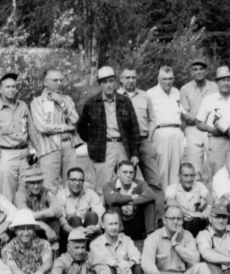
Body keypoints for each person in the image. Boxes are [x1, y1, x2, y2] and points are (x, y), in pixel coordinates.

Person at [77, 66, 141, 194]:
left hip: (123, 146)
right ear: (100, 83)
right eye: (104, 82)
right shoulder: (92, 103)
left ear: (116, 82)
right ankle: (102, 213)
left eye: (111, 81)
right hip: (102, 148)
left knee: (126, 183)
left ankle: (125, 212)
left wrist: (134, 153)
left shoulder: (125, 101)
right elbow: (81, 126)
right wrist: (93, 140)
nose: (108, 85)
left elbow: (134, 129)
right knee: (103, 187)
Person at [118, 67, 165, 221]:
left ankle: (158, 219)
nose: (131, 80)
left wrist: (149, 138)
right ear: (121, 79)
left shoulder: (144, 96)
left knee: (155, 182)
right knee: (125, 181)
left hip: (144, 141)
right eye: (127, 77)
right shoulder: (116, 96)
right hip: (124, 144)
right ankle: (124, 221)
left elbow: (152, 119)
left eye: (133, 77)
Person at [0, 72, 38, 204]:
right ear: (0, 89)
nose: (12, 90)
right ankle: (8, 221)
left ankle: (26, 219)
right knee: (8, 192)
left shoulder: (23, 106)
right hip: (7, 154)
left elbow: (31, 129)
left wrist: (38, 149)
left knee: (28, 187)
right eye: (8, 87)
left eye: (14, 87)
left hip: (25, 153)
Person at [30, 67, 82, 192]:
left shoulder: (67, 99)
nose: (59, 83)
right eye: (55, 80)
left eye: (61, 80)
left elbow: (75, 120)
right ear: (45, 82)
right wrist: (66, 127)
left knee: (71, 184)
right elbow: (43, 127)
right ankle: (53, 211)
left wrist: (61, 102)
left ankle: (70, 211)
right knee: (49, 186)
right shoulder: (38, 102)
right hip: (49, 148)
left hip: (69, 147)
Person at [195, 66, 230, 179]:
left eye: (228, 80)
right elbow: (198, 123)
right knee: (218, 173)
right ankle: (218, 196)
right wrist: (211, 129)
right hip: (217, 141)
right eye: (222, 80)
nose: (226, 83)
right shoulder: (208, 100)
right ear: (217, 82)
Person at [147, 66, 186, 191]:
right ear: (158, 79)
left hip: (177, 132)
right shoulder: (150, 93)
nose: (167, 82)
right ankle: (162, 198)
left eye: (170, 79)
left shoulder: (177, 92)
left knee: (176, 167)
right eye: (164, 79)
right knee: (162, 168)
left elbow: (182, 112)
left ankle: (173, 197)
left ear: (174, 79)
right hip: (160, 132)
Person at [179, 58, 218, 182]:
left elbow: (218, 109)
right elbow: (185, 114)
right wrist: (199, 119)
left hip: (210, 128)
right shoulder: (185, 89)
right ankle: (197, 194)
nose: (198, 72)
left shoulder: (215, 87)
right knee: (194, 164)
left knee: (215, 161)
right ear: (191, 72)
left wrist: (197, 118)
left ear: (206, 71)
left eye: (201, 69)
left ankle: (218, 192)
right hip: (193, 130)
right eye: (195, 69)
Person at [101, 160, 157, 240]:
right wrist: (131, 197)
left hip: (135, 223)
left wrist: (130, 202)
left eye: (131, 172)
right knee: (114, 206)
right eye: (125, 172)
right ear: (118, 173)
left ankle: (151, 236)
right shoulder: (108, 185)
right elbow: (112, 199)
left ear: (134, 174)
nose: (128, 175)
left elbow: (151, 195)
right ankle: (120, 236)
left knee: (150, 203)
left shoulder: (139, 183)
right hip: (117, 224)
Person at [54, 167, 105, 245]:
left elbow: (101, 214)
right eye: (73, 180)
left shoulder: (90, 193)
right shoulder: (60, 197)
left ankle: (93, 248)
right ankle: (79, 248)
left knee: (92, 215)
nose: (77, 183)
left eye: (80, 180)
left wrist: (97, 228)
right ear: (67, 181)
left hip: (89, 230)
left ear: (83, 181)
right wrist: (74, 230)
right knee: (75, 219)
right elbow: (63, 223)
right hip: (70, 232)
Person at [15, 167, 60, 250]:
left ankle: (54, 248)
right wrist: (46, 227)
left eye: (38, 182)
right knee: (28, 226)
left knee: (55, 221)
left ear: (42, 182)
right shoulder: (20, 194)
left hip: (45, 225)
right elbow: (25, 215)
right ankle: (36, 250)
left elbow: (57, 209)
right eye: (32, 183)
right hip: (30, 227)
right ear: (26, 183)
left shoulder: (46, 191)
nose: (36, 186)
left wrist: (39, 214)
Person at [165, 162, 212, 236]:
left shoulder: (199, 185)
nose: (189, 179)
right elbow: (169, 201)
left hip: (196, 221)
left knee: (212, 210)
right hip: (181, 221)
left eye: (191, 175)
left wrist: (209, 207)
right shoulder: (172, 188)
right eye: (185, 176)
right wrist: (191, 214)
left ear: (195, 176)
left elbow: (209, 196)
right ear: (179, 176)